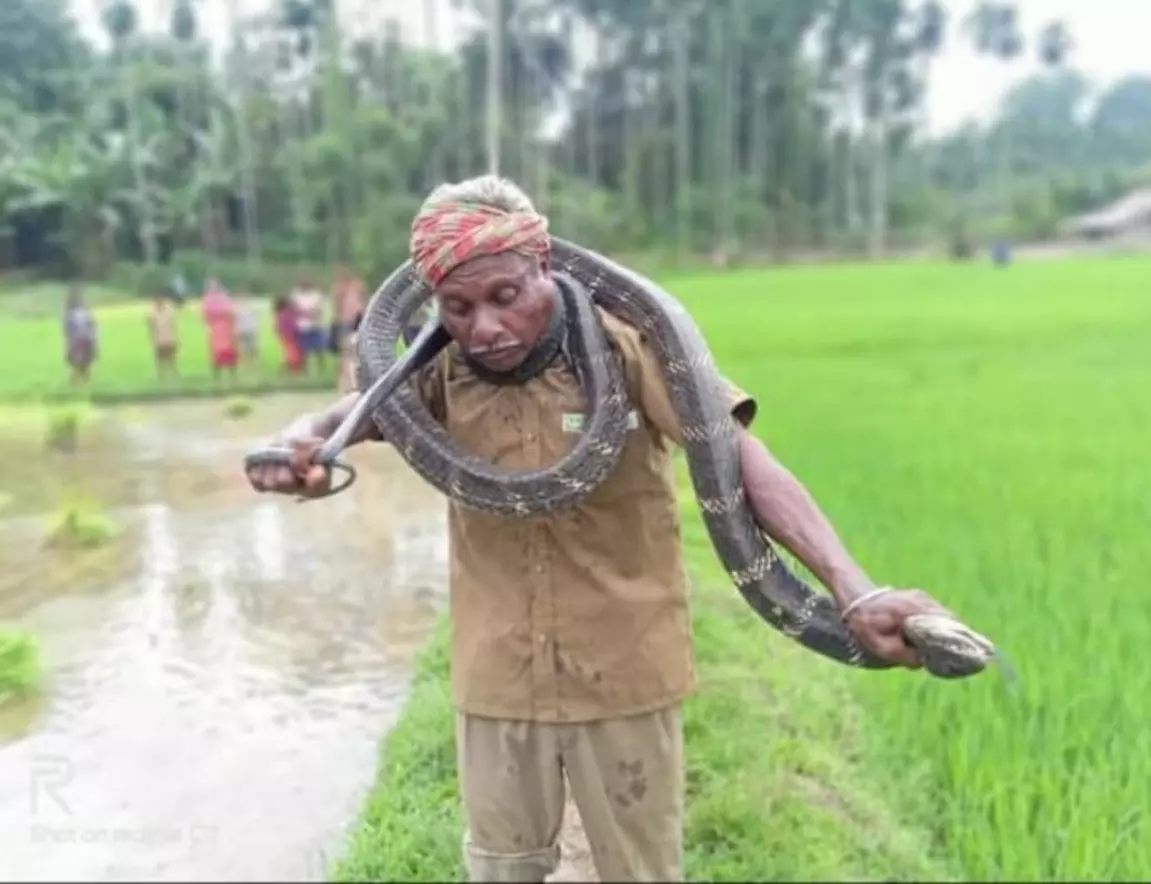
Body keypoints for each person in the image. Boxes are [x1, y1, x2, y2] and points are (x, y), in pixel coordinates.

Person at [244, 175, 958, 883]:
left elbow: (744, 460)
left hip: (625, 672)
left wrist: (853, 590)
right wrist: (300, 437)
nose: (484, 327)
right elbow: (358, 410)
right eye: (456, 307)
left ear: (543, 267)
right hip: (499, 679)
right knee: (500, 871)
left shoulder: (631, 349)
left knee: (640, 873)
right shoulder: (439, 372)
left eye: (505, 296)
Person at [330, 265, 367, 393]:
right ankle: (345, 382)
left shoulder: (357, 286)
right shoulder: (340, 289)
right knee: (346, 352)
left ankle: (354, 381)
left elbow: (363, 302)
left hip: (356, 319)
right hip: (346, 321)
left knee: (355, 351)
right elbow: (337, 306)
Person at [200, 277, 238, 380]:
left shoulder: (224, 297)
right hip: (215, 329)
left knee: (229, 350)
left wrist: (231, 325)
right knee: (216, 352)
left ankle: (232, 373)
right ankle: (217, 374)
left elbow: (231, 312)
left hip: (225, 327)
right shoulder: (207, 298)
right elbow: (204, 314)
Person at [290, 276, 327, 374]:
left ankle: (321, 368)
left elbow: (320, 309)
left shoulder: (316, 295)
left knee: (319, 348)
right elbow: (294, 309)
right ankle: (304, 369)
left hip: (315, 325)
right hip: (302, 326)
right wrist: (304, 313)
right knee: (303, 349)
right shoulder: (296, 294)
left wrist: (313, 313)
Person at [62, 285, 96, 386]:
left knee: (85, 362)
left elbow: (91, 324)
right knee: (78, 363)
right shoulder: (71, 314)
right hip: (78, 339)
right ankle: (77, 382)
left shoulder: (83, 312)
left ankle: (84, 382)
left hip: (84, 338)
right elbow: (68, 329)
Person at [147, 293, 178, 381]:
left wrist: (175, 336)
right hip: (159, 339)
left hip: (169, 338)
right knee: (160, 360)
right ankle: (160, 375)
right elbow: (151, 324)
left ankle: (172, 375)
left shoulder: (169, 308)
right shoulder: (152, 309)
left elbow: (173, 323)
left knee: (171, 360)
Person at [273, 294, 303, 375]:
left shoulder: (279, 313)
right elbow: (297, 314)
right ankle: (293, 370)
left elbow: (277, 326)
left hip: (286, 335)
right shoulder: (288, 312)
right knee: (292, 353)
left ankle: (287, 370)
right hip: (290, 335)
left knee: (288, 353)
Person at [235, 297, 261, 369]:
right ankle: (254, 360)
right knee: (252, 345)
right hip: (251, 329)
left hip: (243, 330)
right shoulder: (251, 309)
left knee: (243, 346)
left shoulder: (238, 310)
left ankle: (246, 360)